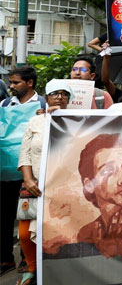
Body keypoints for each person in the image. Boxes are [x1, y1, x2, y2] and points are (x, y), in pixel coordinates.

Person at [16, 80, 72, 285]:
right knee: (24, 233)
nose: (59, 97)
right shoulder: (35, 122)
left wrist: (60, 118)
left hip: (62, 187)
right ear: (46, 97)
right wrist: (28, 179)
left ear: (69, 99)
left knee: (58, 232)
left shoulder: (76, 120)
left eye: (64, 94)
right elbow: (25, 153)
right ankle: (31, 267)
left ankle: (54, 270)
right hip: (35, 185)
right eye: (54, 93)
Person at [0, 67, 45, 276]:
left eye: (15, 82)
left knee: (30, 218)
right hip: (8, 170)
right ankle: (6, 258)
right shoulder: (5, 104)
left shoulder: (44, 105)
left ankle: (29, 261)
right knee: (5, 216)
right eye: (10, 82)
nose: (10, 87)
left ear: (30, 83)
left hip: (34, 172)